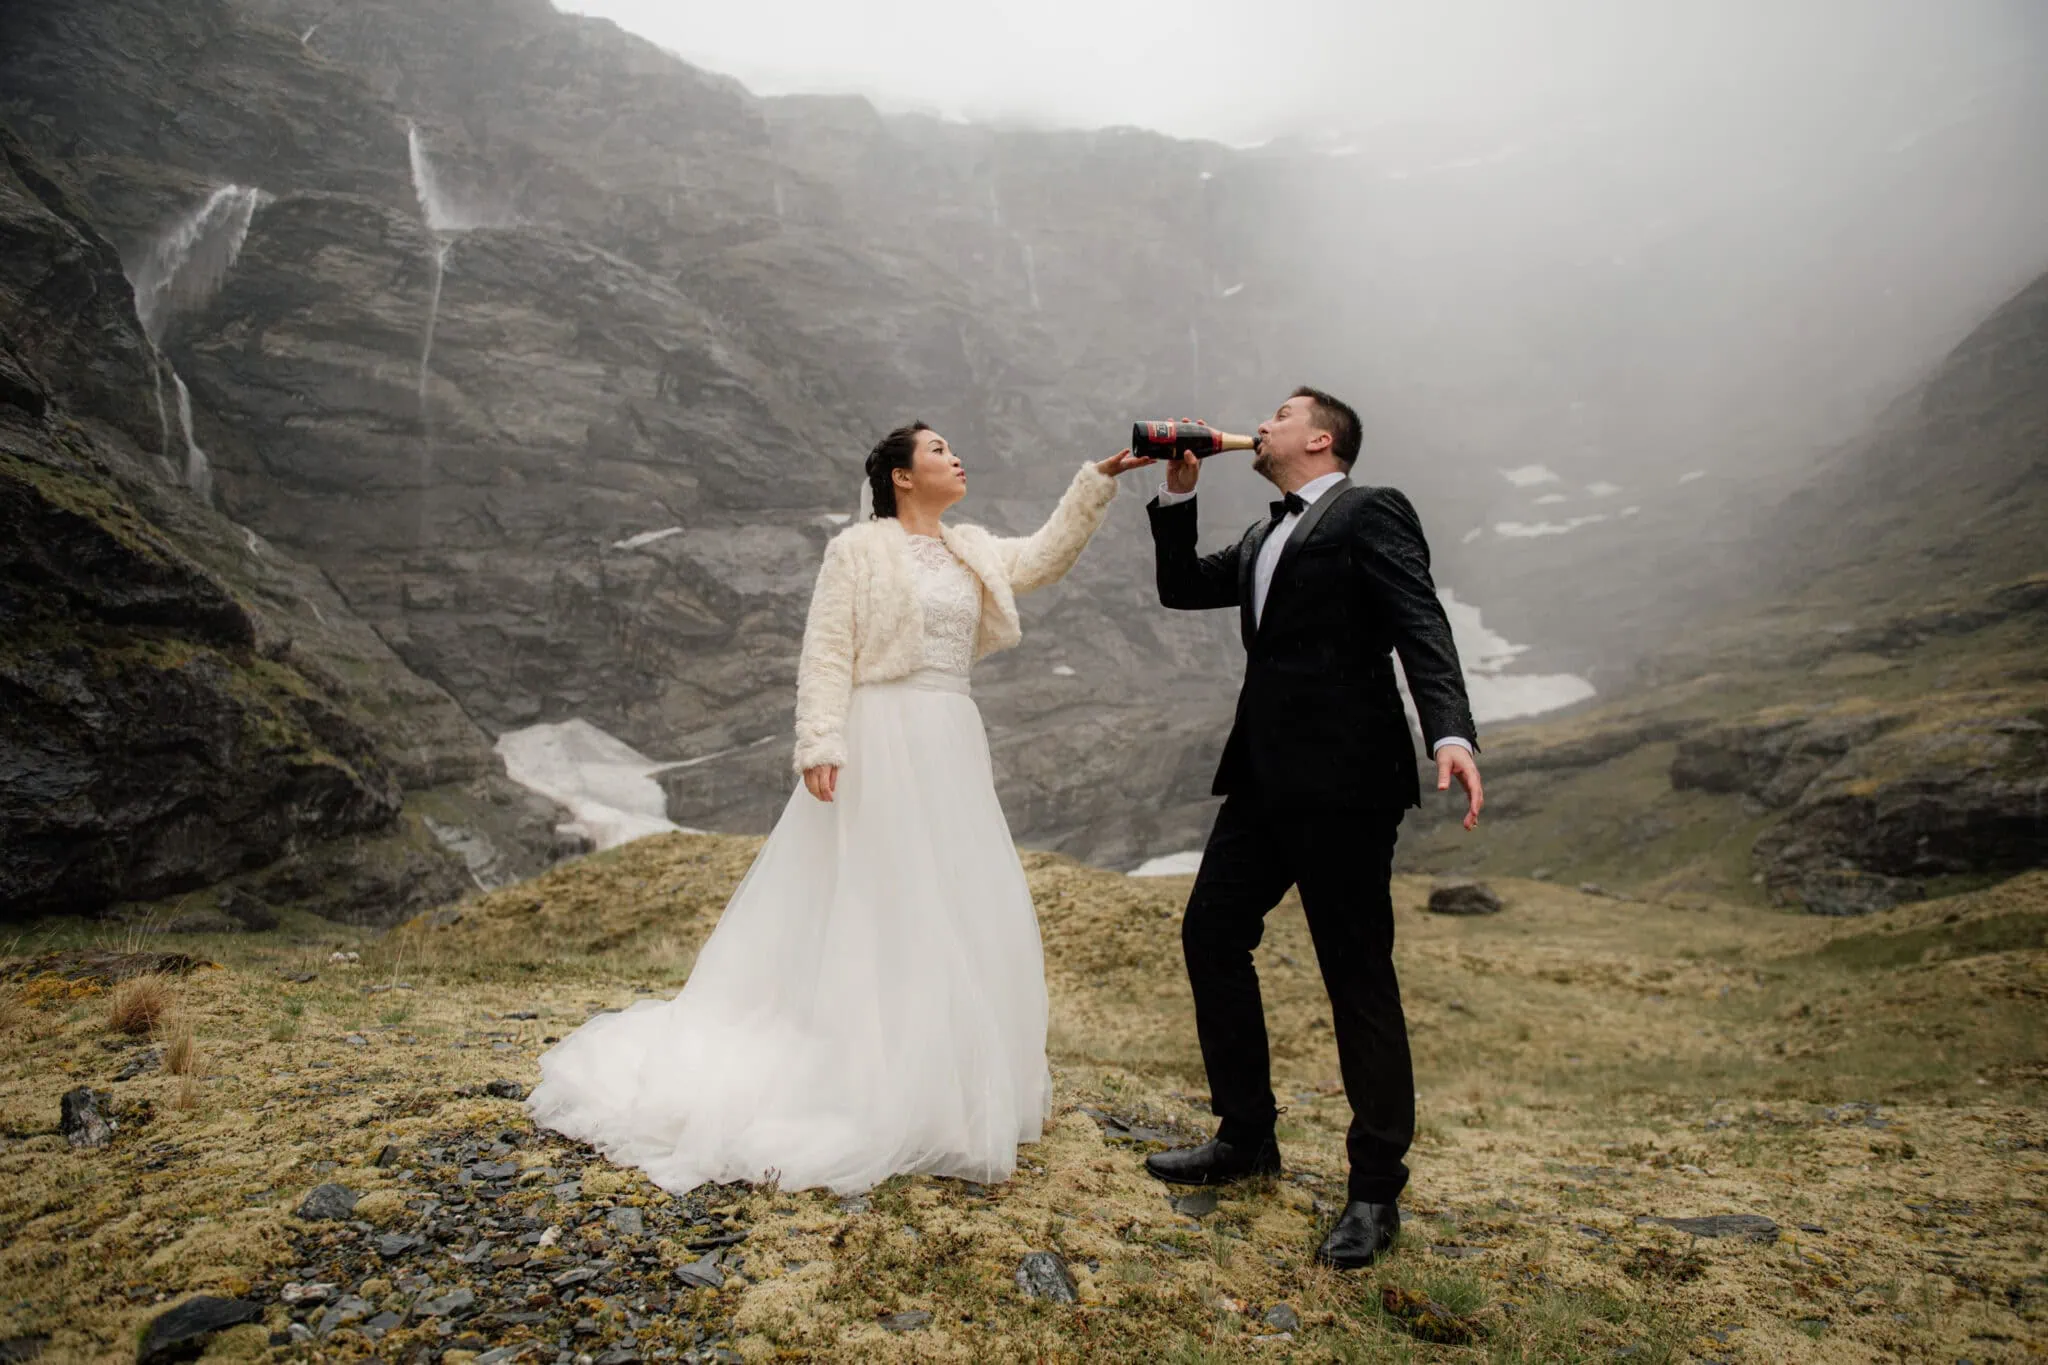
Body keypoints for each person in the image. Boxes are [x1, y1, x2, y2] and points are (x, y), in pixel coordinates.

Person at [527, 424, 1154, 1194]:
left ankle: (940, 1086)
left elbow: (1046, 556)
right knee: (878, 899)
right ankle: (862, 1075)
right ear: (899, 476)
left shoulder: (972, 548)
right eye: (937, 449)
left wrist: (1098, 479)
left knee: (953, 901)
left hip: (951, 738)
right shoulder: (858, 550)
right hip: (881, 735)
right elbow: (826, 647)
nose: (956, 456)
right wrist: (821, 740)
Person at [1142, 387, 1484, 1268]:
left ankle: (1374, 1190)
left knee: (1356, 974)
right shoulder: (1264, 533)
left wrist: (1449, 727)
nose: (1263, 422)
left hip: (1346, 783)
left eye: (1283, 412)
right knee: (1211, 934)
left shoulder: (1370, 510)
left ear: (1321, 437)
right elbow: (1182, 589)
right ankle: (1245, 1136)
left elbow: (1421, 619)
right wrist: (1178, 496)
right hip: (1260, 780)